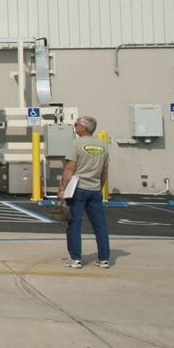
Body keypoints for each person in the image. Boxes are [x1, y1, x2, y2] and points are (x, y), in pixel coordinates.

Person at [59, 115, 111, 268]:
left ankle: (75, 259)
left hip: (78, 189)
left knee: (74, 224)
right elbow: (104, 171)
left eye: (76, 124)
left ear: (83, 128)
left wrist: (62, 188)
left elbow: (70, 168)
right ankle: (104, 259)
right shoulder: (103, 145)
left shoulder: (77, 144)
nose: (75, 127)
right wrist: (99, 187)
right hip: (94, 189)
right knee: (100, 226)